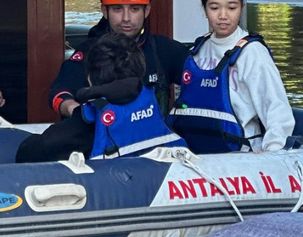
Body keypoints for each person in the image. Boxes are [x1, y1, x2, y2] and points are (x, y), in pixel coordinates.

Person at [166, 0, 294, 153]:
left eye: (231, 8)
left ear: (241, 8)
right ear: (204, 9)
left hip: (242, 156)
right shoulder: (198, 50)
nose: (223, 16)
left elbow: (277, 111)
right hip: (199, 155)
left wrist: (272, 153)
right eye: (214, 8)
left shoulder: (252, 52)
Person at [49, 0, 191, 118]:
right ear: (105, 11)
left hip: (155, 140)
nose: (126, 18)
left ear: (147, 10)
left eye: (134, 9)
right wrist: (76, 111)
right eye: (117, 9)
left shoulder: (164, 50)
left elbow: (203, 81)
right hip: (105, 140)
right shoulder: (89, 52)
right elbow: (60, 93)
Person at [16, 33, 185, 163]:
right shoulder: (157, 113)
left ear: (89, 78)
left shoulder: (86, 124)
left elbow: (26, 153)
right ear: (141, 71)